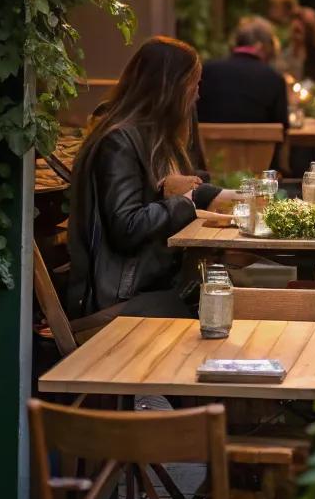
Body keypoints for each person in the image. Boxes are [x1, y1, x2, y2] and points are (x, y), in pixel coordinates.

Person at [67, 36, 229, 318]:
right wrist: (186, 202)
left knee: (216, 293)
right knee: (213, 303)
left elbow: (173, 189)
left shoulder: (154, 138)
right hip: (119, 296)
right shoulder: (118, 141)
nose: (198, 95)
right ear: (171, 87)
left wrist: (214, 196)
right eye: (194, 84)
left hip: (153, 285)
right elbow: (126, 227)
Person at [197, 16, 288, 137]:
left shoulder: (207, 70)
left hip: (209, 153)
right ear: (260, 46)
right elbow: (282, 129)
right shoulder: (274, 78)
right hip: (259, 155)